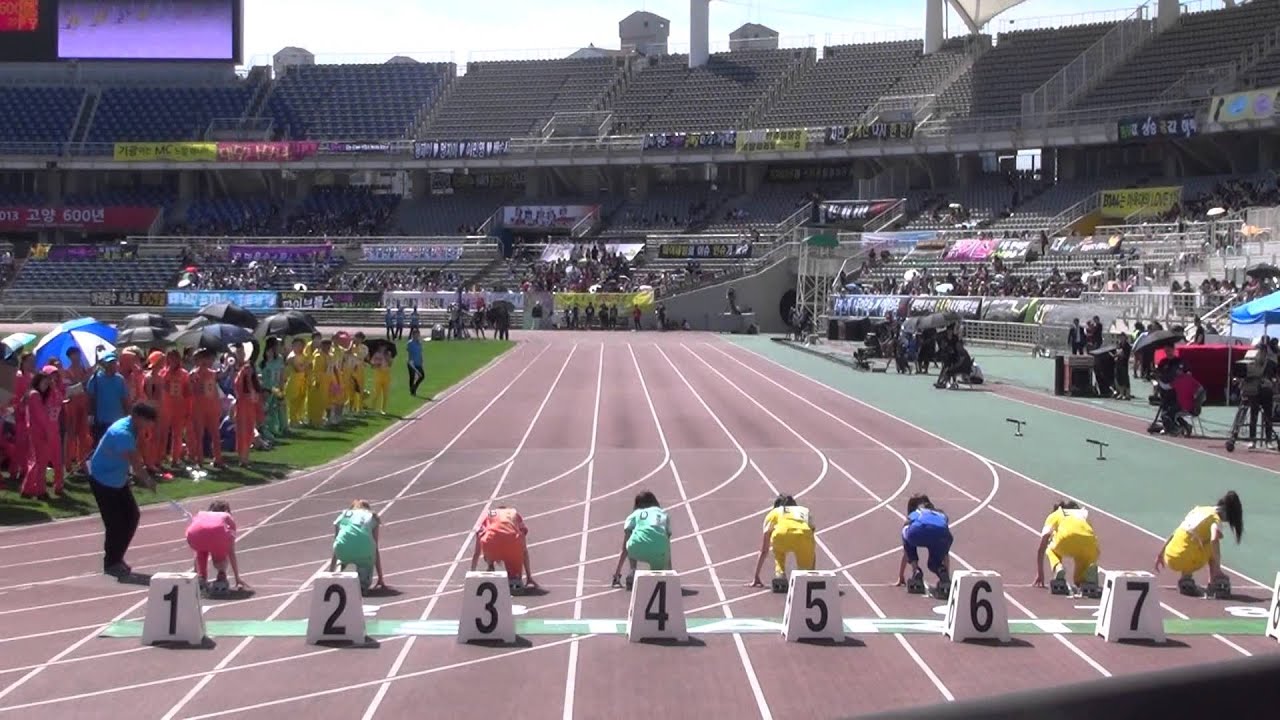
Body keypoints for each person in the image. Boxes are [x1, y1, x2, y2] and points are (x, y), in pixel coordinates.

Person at [87, 403, 158, 577]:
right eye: (148, 421)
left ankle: (117, 557)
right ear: (137, 417)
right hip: (103, 480)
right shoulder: (123, 433)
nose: (150, 426)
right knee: (115, 523)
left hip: (117, 479)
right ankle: (111, 562)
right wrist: (147, 480)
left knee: (132, 516)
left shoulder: (132, 428)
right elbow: (134, 461)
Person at [1155, 491, 1244, 596]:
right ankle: (1215, 579)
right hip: (1185, 557)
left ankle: (1186, 578)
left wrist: (1160, 554)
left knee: (1192, 540)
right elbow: (1214, 539)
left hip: (1170, 556)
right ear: (1226, 512)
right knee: (1212, 545)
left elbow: (1175, 533)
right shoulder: (1215, 519)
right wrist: (1218, 568)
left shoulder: (1199, 510)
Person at [1032, 500, 1100, 596]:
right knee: (1078, 580)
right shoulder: (1082, 514)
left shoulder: (1055, 515)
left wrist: (1040, 573)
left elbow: (1042, 546)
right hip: (1089, 543)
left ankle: (1058, 567)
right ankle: (1088, 570)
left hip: (1066, 540)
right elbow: (1091, 535)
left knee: (1050, 548)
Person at [750, 494, 816, 588]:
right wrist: (812, 571)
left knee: (778, 552)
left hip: (781, 535)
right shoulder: (804, 510)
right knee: (807, 554)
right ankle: (806, 577)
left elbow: (764, 550)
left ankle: (780, 574)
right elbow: (812, 537)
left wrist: (756, 576)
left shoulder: (774, 512)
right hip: (803, 535)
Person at [611, 491, 673, 589]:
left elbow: (624, 550)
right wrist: (670, 573)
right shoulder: (663, 515)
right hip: (659, 550)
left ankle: (632, 570)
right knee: (655, 578)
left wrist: (617, 574)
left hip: (637, 548)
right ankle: (655, 577)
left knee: (632, 538)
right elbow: (667, 544)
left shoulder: (635, 514)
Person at [185, 500, 248, 592]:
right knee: (221, 548)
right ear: (226, 510)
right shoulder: (227, 516)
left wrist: (195, 571)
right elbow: (231, 552)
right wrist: (237, 578)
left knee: (200, 550)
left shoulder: (201, 514)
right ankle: (221, 574)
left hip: (194, 538)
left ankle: (201, 577)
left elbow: (194, 529)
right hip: (217, 537)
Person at [896, 493, 952, 595]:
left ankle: (916, 571)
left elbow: (906, 552)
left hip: (918, 531)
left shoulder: (916, 513)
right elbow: (945, 555)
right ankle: (942, 572)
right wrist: (948, 576)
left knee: (906, 532)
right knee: (933, 563)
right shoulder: (941, 515)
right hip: (943, 534)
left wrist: (901, 576)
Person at [470, 505, 538, 589]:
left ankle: (490, 566)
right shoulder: (514, 513)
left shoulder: (489, 514)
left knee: (487, 540)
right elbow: (523, 546)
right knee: (515, 578)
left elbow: (478, 545)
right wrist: (529, 576)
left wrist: (472, 574)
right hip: (512, 545)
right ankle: (514, 578)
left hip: (491, 544)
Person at [329, 499, 386, 592]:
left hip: (343, 550)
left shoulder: (344, 514)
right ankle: (363, 582)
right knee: (364, 581)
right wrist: (380, 577)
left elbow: (337, 542)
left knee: (342, 547)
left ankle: (340, 568)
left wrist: (330, 572)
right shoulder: (372, 516)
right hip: (364, 552)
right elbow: (375, 548)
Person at [187, 349, 224, 467]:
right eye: (202, 359)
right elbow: (191, 390)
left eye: (207, 359)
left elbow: (216, 388)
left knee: (215, 434)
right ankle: (199, 460)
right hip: (199, 408)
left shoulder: (212, 373)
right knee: (199, 435)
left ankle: (218, 459)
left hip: (211, 408)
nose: (206, 361)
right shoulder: (193, 374)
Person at [406, 328, 424, 396]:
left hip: (418, 362)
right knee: (412, 377)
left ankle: (414, 387)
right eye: (416, 334)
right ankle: (412, 391)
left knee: (422, 376)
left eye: (418, 334)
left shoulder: (419, 343)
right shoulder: (410, 343)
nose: (417, 336)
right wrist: (411, 362)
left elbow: (420, 352)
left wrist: (422, 360)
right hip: (412, 363)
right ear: (413, 335)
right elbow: (409, 353)